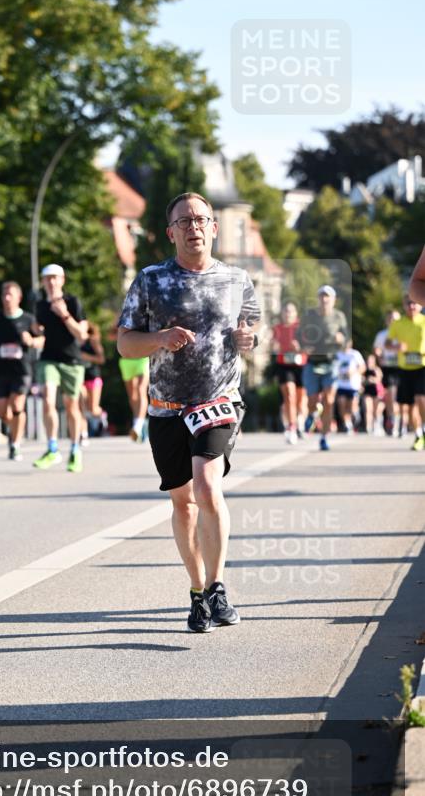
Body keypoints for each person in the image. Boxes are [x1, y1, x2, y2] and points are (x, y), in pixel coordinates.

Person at [117, 192, 260, 634]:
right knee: (182, 503)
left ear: (214, 227)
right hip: (165, 406)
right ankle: (197, 592)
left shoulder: (238, 281)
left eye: (201, 219)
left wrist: (248, 340)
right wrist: (158, 338)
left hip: (217, 399)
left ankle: (217, 587)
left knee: (205, 484)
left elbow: (252, 331)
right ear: (171, 232)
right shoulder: (150, 280)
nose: (194, 226)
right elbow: (125, 343)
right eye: (184, 221)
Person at [31, 264, 88, 473]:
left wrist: (64, 314)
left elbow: (82, 335)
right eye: (48, 279)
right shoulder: (39, 305)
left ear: (62, 280)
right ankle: (52, 448)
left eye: (56, 278)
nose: (52, 282)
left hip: (71, 361)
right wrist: (35, 332)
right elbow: (39, 331)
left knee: (71, 406)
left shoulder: (72, 302)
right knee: (47, 399)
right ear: (43, 282)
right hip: (48, 359)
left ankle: (75, 449)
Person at [0, 281, 38, 461]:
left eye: (10, 295)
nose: (6, 298)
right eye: (4, 295)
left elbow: (42, 339)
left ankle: (15, 443)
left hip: (22, 369)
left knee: (16, 406)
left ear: (18, 298)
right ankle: (14, 429)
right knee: (1, 411)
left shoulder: (28, 319)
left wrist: (31, 341)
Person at [298, 285, 348, 451]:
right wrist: (303, 346)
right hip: (313, 362)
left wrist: (342, 339)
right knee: (312, 401)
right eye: (322, 296)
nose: (324, 299)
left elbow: (347, 339)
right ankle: (313, 412)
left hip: (331, 362)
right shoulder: (310, 315)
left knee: (329, 400)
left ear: (333, 300)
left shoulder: (339, 317)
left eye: (328, 297)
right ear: (318, 298)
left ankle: (324, 437)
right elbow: (299, 334)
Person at [386, 294, 425, 451]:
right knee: (409, 406)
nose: (412, 306)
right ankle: (418, 435)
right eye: (409, 303)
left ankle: (424, 428)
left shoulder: (424, 321)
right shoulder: (398, 323)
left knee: (421, 398)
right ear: (404, 305)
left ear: (421, 305)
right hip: (404, 368)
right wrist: (396, 347)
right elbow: (387, 343)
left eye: (415, 303)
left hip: (422, 366)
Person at [270, 301, 307, 444]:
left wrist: (300, 347)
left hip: (300, 365)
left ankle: (300, 422)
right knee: (289, 396)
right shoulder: (277, 328)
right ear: (282, 314)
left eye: (291, 311)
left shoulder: (301, 328)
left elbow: (310, 346)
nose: (288, 314)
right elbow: (273, 347)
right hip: (284, 365)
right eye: (286, 311)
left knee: (301, 399)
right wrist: (274, 347)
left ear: (295, 314)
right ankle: (291, 428)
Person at [373, 309, 401, 436]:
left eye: (395, 319)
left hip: (402, 367)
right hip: (388, 369)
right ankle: (393, 420)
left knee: (402, 398)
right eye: (390, 319)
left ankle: (402, 421)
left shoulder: (403, 334)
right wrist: (379, 355)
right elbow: (377, 349)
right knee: (390, 396)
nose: (392, 321)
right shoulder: (382, 335)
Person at [80, 322, 105, 442]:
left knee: (93, 409)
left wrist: (86, 357)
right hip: (80, 378)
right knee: (81, 406)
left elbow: (101, 359)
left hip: (93, 377)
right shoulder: (75, 341)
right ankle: (83, 434)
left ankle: (102, 418)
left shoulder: (93, 340)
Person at [333, 338, 366, 433]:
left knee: (351, 406)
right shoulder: (338, 354)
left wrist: (353, 372)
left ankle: (355, 414)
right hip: (341, 384)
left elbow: (363, 367)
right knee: (341, 403)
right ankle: (347, 423)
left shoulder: (355, 354)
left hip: (352, 385)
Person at [362, 353, 384, 435]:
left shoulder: (377, 369)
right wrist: (366, 381)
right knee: (368, 409)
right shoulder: (364, 369)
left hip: (376, 392)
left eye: (371, 360)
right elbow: (361, 380)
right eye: (368, 360)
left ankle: (377, 425)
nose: (369, 362)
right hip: (367, 391)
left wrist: (372, 380)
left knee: (376, 410)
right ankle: (368, 427)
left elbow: (379, 379)